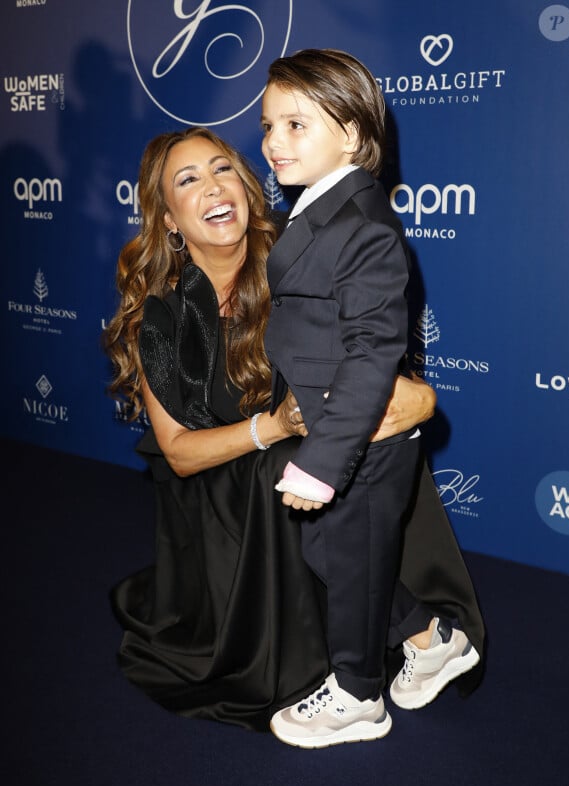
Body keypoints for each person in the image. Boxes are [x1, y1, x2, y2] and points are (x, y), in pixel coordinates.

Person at [104, 126, 483, 733]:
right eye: (187, 180)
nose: (213, 188)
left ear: (248, 186)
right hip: (217, 486)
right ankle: (418, 632)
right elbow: (178, 452)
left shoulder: (303, 247)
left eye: (223, 168)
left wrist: (416, 394)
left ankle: (388, 659)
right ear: (168, 218)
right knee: (287, 468)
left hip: (310, 459)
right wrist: (271, 426)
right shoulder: (163, 313)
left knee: (341, 449)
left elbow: (374, 355)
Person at [261, 49, 482, 748]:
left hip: (367, 431)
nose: (274, 143)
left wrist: (320, 461)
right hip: (340, 423)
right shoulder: (316, 209)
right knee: (335, 555)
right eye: (268, 127)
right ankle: (432, 636)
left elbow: (370, 354)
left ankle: (358, 694)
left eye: (297, 125)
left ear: (353, 135)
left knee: (350, 563)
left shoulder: (363, 225)